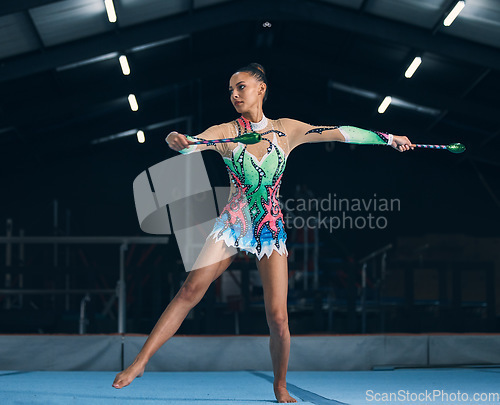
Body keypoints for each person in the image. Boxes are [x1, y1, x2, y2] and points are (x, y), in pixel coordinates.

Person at [113, 63, 413, 403]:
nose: (234, 94)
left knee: (279, 317)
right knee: (190, 289)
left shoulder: (288, 130)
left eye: (240, 87)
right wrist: (177, 140)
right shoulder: (226, 131)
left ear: (261, 89)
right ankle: (139, 363)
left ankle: (280, 385)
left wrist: (389, 139)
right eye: (230, 90)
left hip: (269, 228)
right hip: (233, 224)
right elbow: (192, 144)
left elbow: (340, 132)